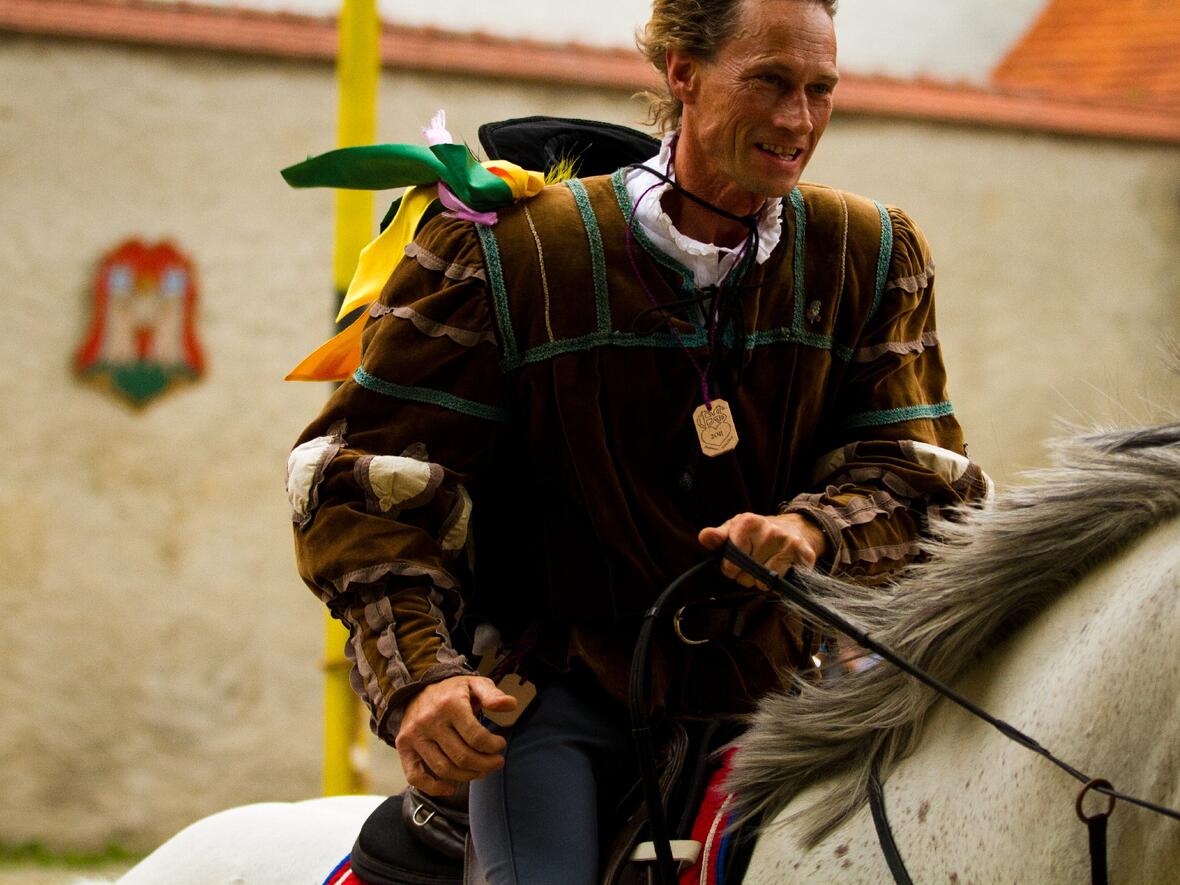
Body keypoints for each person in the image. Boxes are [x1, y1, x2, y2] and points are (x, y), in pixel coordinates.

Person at [287, 0, 990, 880]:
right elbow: (363, 482)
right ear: (681, 72)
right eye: (769, 81)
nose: (798, 119)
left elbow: (923, 476)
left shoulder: (874, 253)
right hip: (557, 700)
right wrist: (422, 679)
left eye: (820, 88)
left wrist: (814, 529)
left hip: (794, 696)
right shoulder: (510, 252)